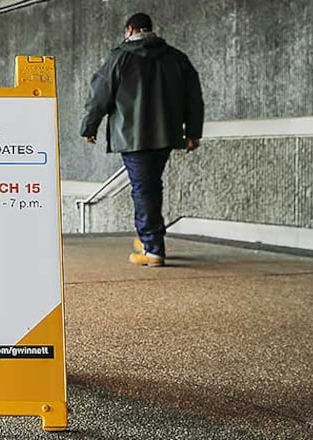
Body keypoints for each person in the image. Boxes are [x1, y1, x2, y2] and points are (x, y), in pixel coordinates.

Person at [79, 12, 204, 267]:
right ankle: (150, 237)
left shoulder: (119, 58)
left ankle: (153, 248)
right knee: (151, 186)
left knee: (143, 189)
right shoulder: (176, 58)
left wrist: (89, 127)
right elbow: (194, 97)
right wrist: (193, 132)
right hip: (166, 134)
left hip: (132, 136)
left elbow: (99, 96)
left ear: (130, 29)